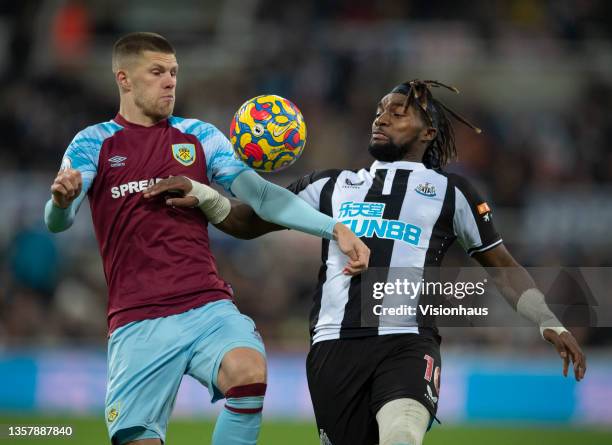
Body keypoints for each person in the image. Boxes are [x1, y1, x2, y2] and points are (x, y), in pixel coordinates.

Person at [145, 80, 587, 445]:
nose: (382, 116)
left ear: (428, 132)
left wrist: (549, 320)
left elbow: (503, 266)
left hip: (407, 343)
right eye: (380, 109)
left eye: (398, 111)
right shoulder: (329, 186)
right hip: (332, 349)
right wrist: (202, 194)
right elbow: (246, 222)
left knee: (401, 437)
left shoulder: (453, 193)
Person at [44, 32, 369, 445]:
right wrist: (61, 201)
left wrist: (333, 227)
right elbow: (58, 221)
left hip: (205, 304)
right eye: (157, 72)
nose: (169, 82)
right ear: (124, 79)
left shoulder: (199, 136)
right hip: (137, 319)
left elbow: (264, 196)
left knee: (249, 371)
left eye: (174, 72)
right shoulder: (94, 142)